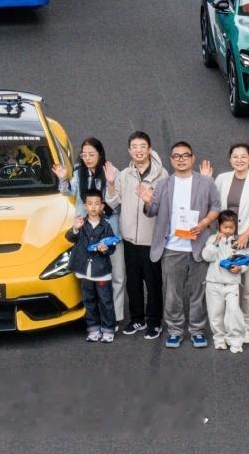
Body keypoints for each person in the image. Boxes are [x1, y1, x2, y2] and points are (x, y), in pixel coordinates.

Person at [141, 140, 217, 348]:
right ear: (171, 160)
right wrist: (148, 201)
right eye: (176, 156)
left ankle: (198, 330)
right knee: (172, 294)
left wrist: (204, 224)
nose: (181, 159)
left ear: (192, 158)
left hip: (198, 246)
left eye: (185, 156)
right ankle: (174, 330)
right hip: (172, 248)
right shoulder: (164, 184)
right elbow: (152, 211)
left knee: (198, 292)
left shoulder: (206, 183)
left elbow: (216, 207)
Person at [209, 143, 249, 342]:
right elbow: (215, 205)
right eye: (235, 156)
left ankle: (247, 325)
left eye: (244, 156)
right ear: (230, 159)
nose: (239, 160)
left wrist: (245, 235)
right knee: (230, 284)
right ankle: (230, 325)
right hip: (227, 240)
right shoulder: (222, 178)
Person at [55, 138, 121, 321]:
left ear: (100, 154)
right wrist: (62, 178)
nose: (88, 158)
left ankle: (114, 317)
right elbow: (68, 192)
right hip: (86, 230)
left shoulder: (112, 172)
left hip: (108, 230)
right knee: (88, 276)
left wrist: (112, 183)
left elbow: (116, 202)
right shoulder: (79, 172)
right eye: (84, 154)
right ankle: (93, 317)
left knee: (115, 276)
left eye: (92, 154)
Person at [107, 131, 165, 339]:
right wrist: (111, 183)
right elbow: (113, 202)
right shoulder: (124, 175)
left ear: (149, 149)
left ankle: (154, 321)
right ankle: (137, 318)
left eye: (142, 146)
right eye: (134, 147)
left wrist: (149, 200)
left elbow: (163, 209)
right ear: (129, 151)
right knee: (133, 281)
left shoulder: (162, 176)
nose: (138, 150)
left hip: (151, 240)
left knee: (153, 282)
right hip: (129, 238)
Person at [66, 188, 118, 342]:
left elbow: (113, 245)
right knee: (88, 300)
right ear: (85, 207)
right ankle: (93, 329)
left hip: (101, 270)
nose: (93, 207)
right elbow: (69, 237)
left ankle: (108, 328)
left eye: (96, 204)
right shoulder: (81, 223)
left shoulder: (106, 225)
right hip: (84, 270)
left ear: (102, 206)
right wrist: (75, 228)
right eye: (90, 204)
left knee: (105, 301)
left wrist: (106, 249)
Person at [201, 210, 248, 353]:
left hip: (232, 284)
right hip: (213, 283)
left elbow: (245, 261)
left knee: (234, 311)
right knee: (215, 313)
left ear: (235, 227)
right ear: (218, 225)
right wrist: (215, 244)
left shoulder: (238, 241)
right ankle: (219, 338)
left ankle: (235, 340)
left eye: (231, 228)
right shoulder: (211, 239)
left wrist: (240, 268)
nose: (228, 230)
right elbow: (206, 257)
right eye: (225, 227)